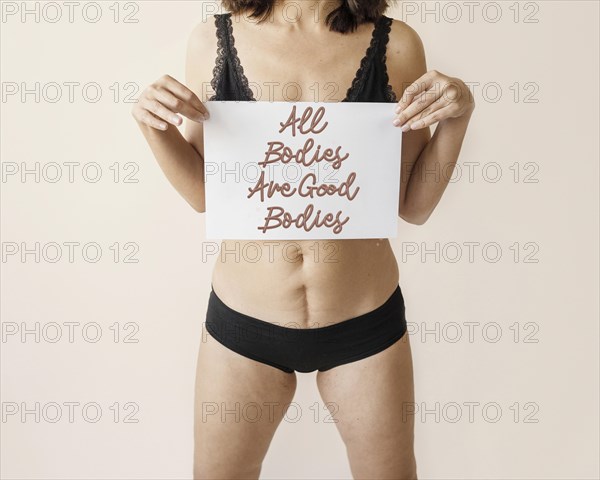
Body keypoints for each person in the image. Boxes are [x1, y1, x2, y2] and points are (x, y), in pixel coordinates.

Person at [132, 0, 475, 478]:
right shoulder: (212, 39)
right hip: (244, 325)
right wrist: (152, 127)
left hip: (364, 324)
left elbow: (413, 205)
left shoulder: (396, 44)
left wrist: (458, 118)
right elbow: (207, 196)